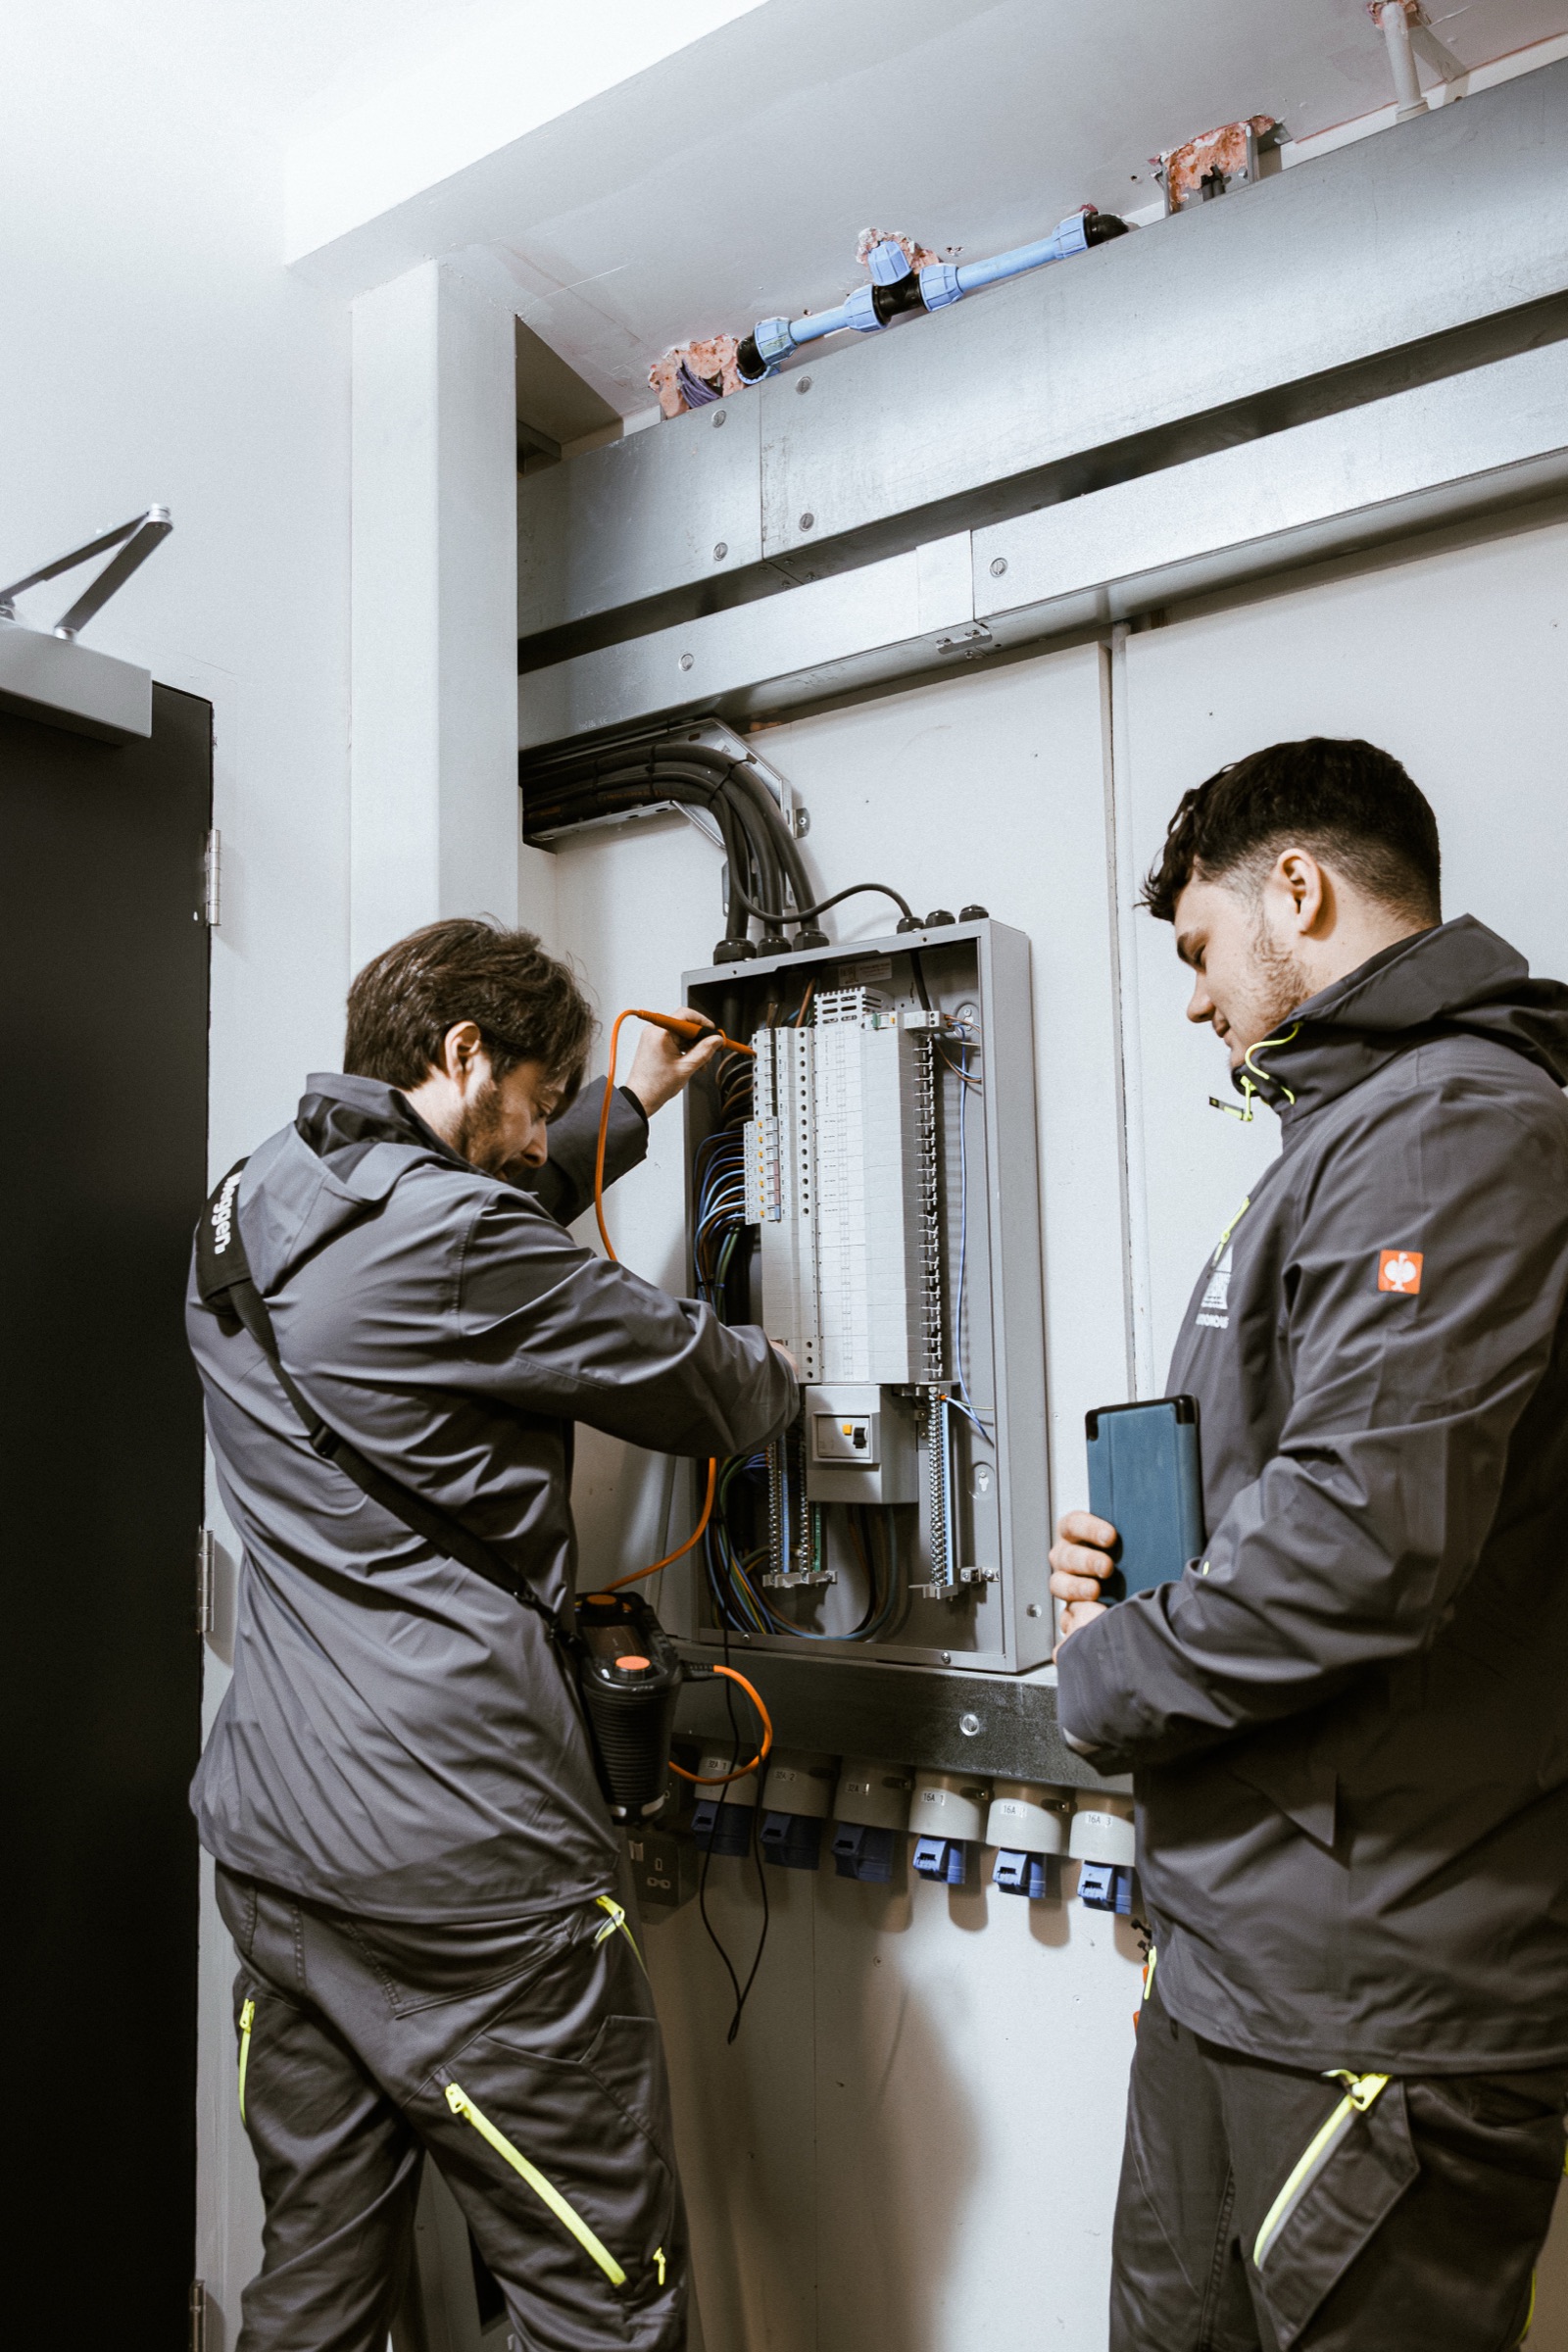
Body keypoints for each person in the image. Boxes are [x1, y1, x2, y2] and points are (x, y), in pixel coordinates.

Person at [188, 917, 795, 2352]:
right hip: (464, 1881)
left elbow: (434, 1237)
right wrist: (783, 1367)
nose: (534, 1143)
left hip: (282, 1854)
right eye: (534, 1101)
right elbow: (704, 1386)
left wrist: (622, 1110)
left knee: (317, 2291)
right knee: (604, 2301)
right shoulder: (459, 1239)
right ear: (464, 1052)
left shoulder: (251, 1198)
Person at [1050, 739, 1568, 2352]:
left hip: (1373, 1993)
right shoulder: (1347, 1137)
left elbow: (1362, 1542)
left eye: (1200, 948)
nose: (1196, 1000)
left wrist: (1105, 1669)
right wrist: (1141, 1571)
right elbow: (1312, 1494)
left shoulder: (1452, 1128)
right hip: (1247, 1959)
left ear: (1298, 887)